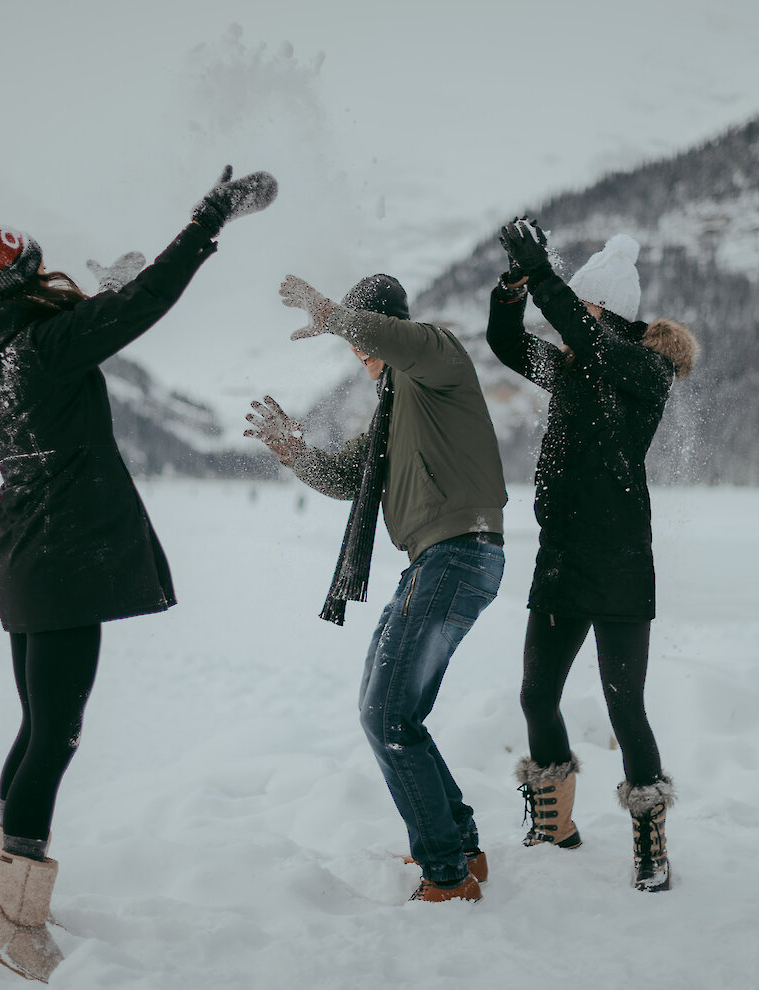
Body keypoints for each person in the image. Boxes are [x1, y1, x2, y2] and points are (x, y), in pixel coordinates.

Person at [0, 165, 276, 981]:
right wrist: (208, 219)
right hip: (60, 558)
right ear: (21, 277)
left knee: (35, 731)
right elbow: (144, 306)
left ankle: (7, 891)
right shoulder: (41, 346)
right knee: (54, 735)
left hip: (23, 553)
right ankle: (12, 921)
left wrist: (89, 305)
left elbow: (79, 326)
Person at [245, 272, 508, 904]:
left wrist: (337, 314)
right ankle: (462, 848)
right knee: (392, 711)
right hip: (434, 561)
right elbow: (345, 477)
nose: (361, 353)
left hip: (458, 554)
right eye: (354, 342)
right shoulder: (394, 410)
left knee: (387, 715)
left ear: (390, 330)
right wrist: (294, 453)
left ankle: (446, 875)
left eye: (367, 337)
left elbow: (396, 340)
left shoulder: (436, 358)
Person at [486, 219, 696, 893]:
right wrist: (514, 286)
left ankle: (650, 841)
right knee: (535, 695)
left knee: (623, 705)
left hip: (622, 568)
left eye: (586, 305)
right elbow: (506, 343)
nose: (576, 316)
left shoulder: (643, 369)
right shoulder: (575, 366)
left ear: (607, 312)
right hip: (561, 561)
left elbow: (581, 331)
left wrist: (544, 272)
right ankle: (555, 821)